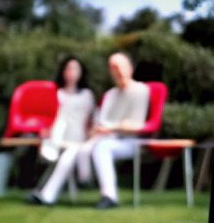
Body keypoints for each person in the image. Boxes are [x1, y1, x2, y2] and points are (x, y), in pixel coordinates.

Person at [33, 52, 152, 209]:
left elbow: (137, 126)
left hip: (129, 141)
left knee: (102, 147)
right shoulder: (110, 95)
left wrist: (110, 128)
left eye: (119, 66)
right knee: (73, 151)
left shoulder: (140, 90)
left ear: (130, 68)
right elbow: (99, 122)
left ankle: (109, 196)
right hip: (102, 139)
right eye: (112, 67)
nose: (116, 71)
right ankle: (48, 196)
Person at [27, 56, 96, 202]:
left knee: (69, 154)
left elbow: (91, 121)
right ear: (63, 71)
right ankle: (48, 195)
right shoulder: (56, 93)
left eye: (75, 69)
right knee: (63, 154)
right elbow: (47, 117)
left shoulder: (87, 95)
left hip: (79, 141)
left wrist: (91, 137)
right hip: (57, 139)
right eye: (69, 68)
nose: (72, 73)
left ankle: (47, 195)